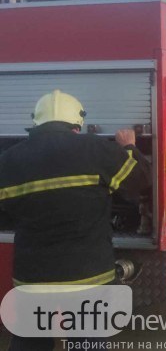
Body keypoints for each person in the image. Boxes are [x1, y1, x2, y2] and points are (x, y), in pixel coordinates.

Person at [0, 90, 152, 351]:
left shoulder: (8, 160)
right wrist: (129, 147)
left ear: (36, 122)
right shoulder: (95, 149)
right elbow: (140, 180)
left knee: (29, 343)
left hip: (33, 281)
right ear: (77, 123)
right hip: (89, 278)